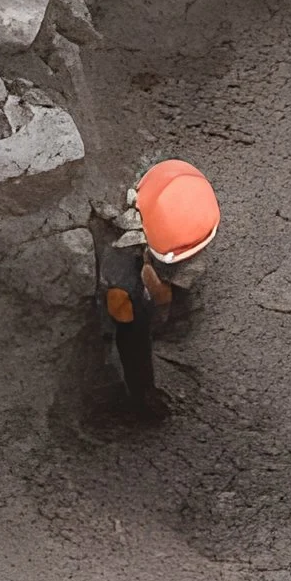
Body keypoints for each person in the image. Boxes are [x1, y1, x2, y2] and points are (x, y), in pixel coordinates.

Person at [95, 159, 220, 422]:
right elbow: (129, 334)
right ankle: (139, 398)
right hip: (127, 302)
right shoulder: (123, 275)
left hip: (146, 269)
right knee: (131, 327)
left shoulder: (167, 191)